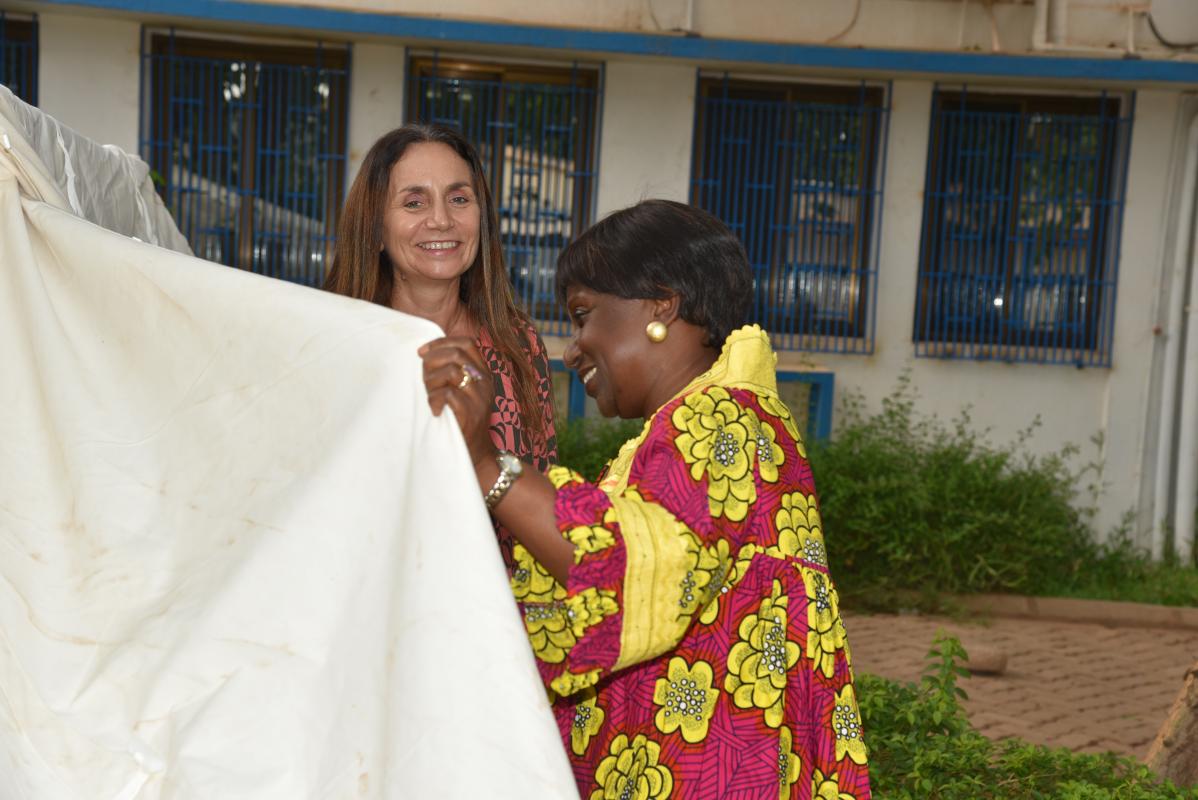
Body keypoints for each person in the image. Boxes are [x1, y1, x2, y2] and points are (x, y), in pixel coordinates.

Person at [419, 199, 871, 799]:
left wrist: (488, 467)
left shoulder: (725, 421)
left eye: (583, 315)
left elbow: (633, 568)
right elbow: (587, 596)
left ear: (661, 302)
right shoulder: (689, 435)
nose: (573, 348)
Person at [326, 123, 556, 567]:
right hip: (365, 603)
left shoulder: (518, 346)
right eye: (414, 202)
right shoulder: (339, 344)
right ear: (375, 230)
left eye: (458, 198)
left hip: (493, 610)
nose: (441, 220)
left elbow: (543, 490)